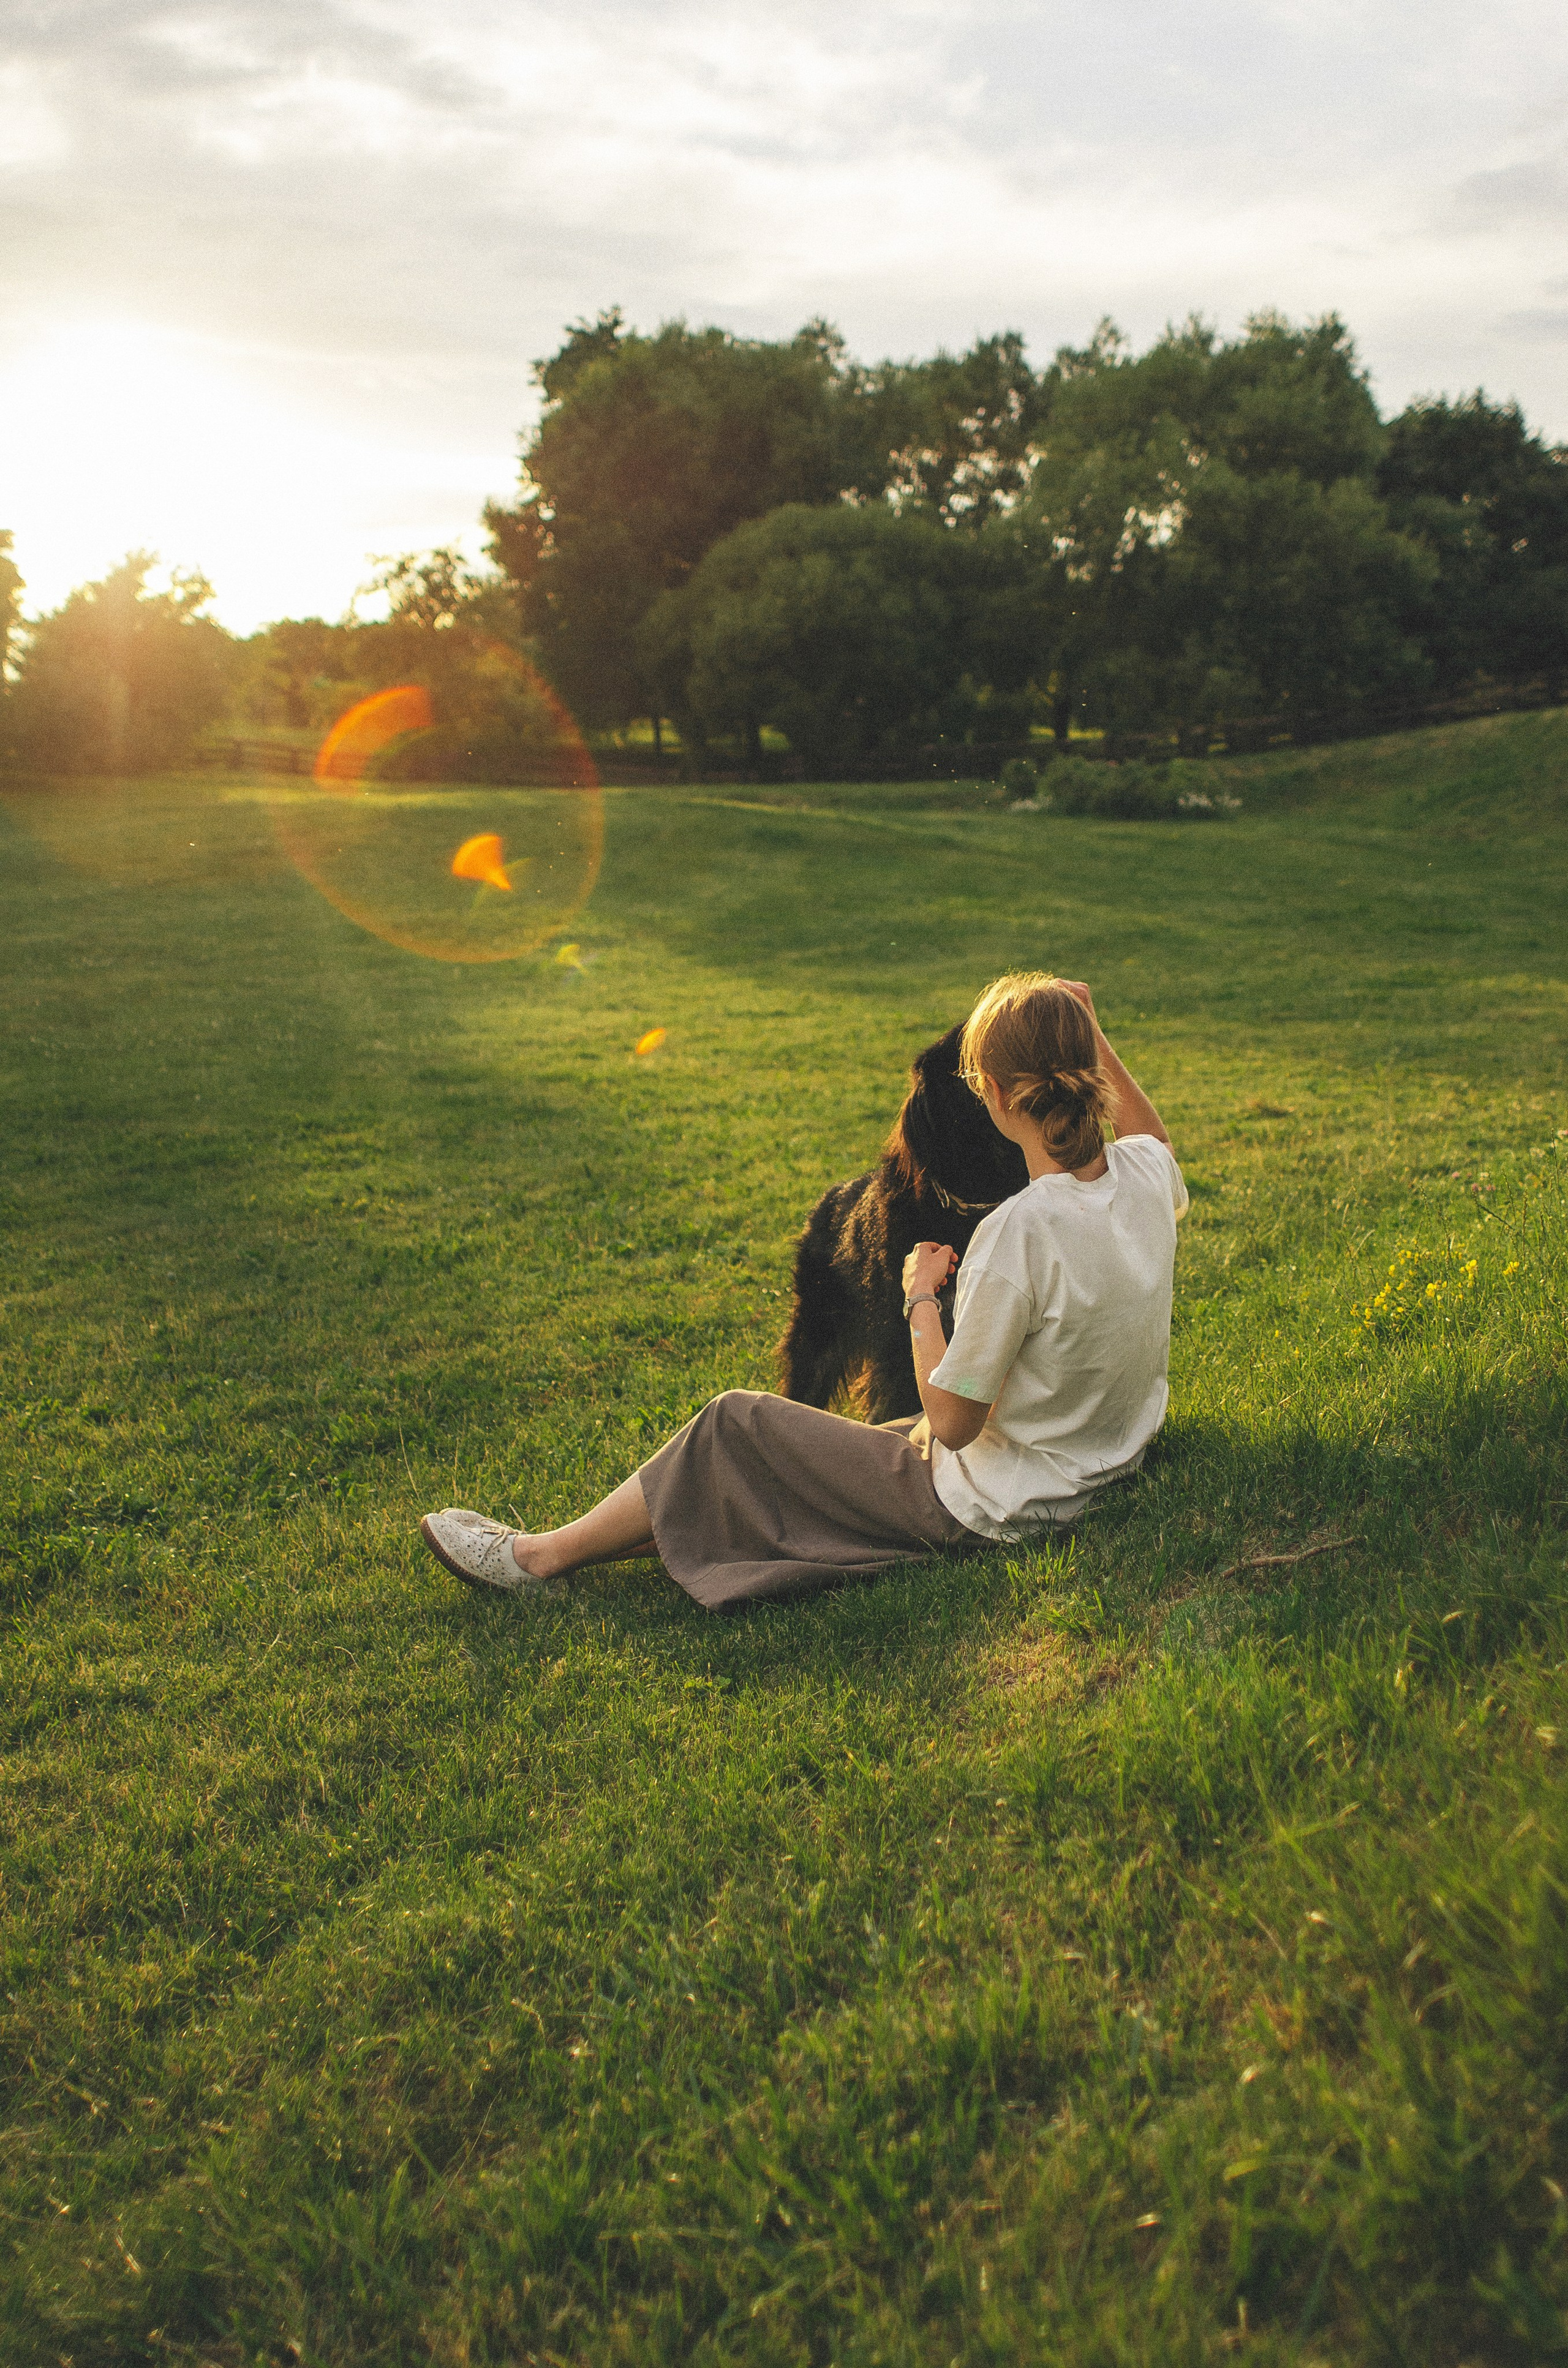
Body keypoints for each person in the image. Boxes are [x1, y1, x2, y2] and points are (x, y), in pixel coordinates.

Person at [420, 974, 1187, 1610]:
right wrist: (1087, 1025)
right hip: (1088, 1467)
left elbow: (951, 1424)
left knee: (733, 1423)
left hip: (995, 1502)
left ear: (993, 1092)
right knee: (775, 1454)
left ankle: (536, 1558)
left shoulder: (1018, 1232)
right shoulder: (1145, 1179)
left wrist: (920, 1297)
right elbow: (1151, 1133)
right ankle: (597, 1538)